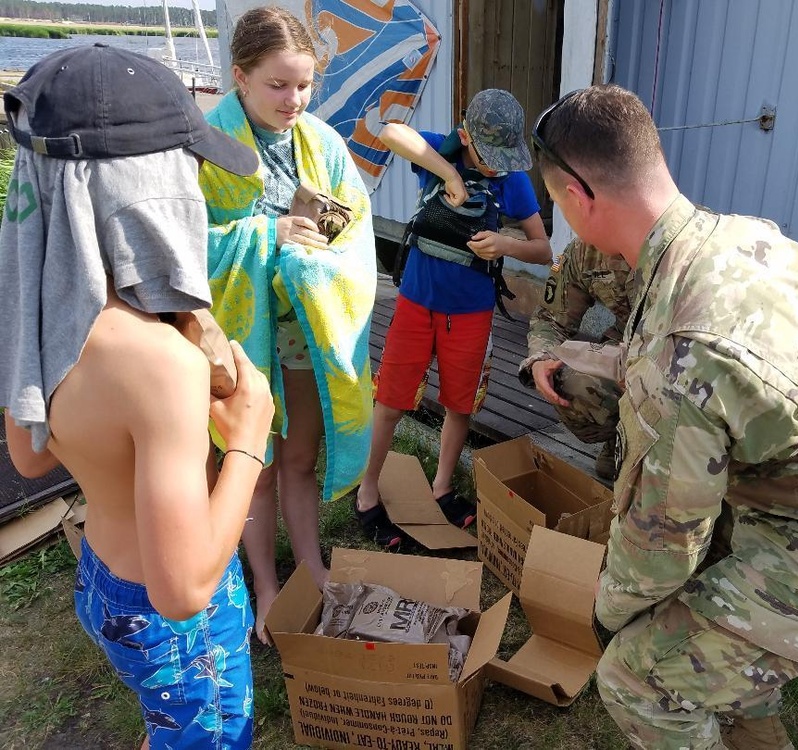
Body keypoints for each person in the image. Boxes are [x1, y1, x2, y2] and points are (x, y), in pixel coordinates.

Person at [532, 84, 798, 750]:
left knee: (638, 679)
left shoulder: (683, 349)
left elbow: (661, 549)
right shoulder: (748, 238)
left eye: (557, 203)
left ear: (579, 197)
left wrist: (604, 613)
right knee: (704, 650)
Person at [0, 45, 272, 749]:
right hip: (170, 619)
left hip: (102, 581)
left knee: (169, 724)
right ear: (149, 191)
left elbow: (28, 458)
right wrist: (248, 437)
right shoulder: (160, 367)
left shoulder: (31, 303)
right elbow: (182, 591)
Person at [198, 5, 378, 643]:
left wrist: (316, 259)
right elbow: (183, 246)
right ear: (239, 76)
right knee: (255, 464)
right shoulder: (204, 145)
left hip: (303, 330)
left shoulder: (323, 144)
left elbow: (353, 227)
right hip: (240, 339)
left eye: (304, 84)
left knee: (299, 457)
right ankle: (266, 586)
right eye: (277, 84)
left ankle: (311, 567)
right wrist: (268, 236)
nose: (293, 99)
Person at [355, 89, 552, 548]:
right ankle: (367, 493)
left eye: (505, 158)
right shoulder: (439, 150)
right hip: (417, 301)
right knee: (392, 401)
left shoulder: (513, 181)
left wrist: (506, 245)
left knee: (460, 403)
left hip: (472, 311)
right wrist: (448, 174)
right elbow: (388, 132)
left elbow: (542, 248)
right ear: (465, 137)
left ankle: (442, 486)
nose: (496, 167)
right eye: (488, 157)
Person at [518, 237, 634, 480]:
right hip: (626, 348)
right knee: (569, 381)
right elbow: (549, 320)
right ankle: (620, 436)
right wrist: (540, 360)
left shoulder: (689, 244)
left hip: (687, 362)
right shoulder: (584, 249)